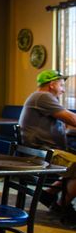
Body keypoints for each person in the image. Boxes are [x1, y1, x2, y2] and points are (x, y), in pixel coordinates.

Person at [19, 69, 76, 224]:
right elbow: (71, 118)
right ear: (52, 84)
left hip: (43, 150)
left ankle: (50, 193)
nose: (64, 90)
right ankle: (60, 204)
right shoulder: (43, 96)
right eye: (62, 85)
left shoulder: (42, 98)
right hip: (42, 153)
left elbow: (64, 126)